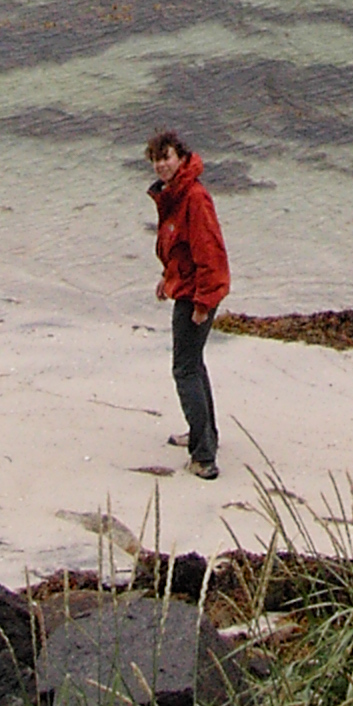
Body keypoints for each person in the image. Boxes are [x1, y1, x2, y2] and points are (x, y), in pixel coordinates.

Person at [146, 129, 230, 480]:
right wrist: (169, 278)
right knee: (194, 365)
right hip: (188, 289)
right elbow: (180, 248)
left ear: (181, 157)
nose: (161, 165)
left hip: (198, 295)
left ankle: (204, 457)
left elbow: (209, 253)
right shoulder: (177, 195)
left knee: (185, 370)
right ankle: (204, 434)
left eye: (166, 157)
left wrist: (203, 302)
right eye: (155, 160)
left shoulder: (194, 197)